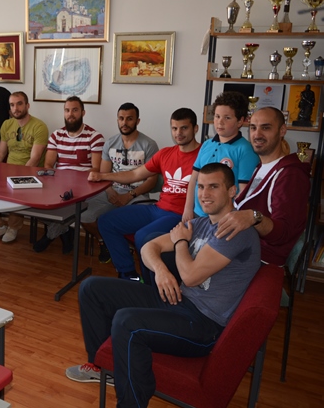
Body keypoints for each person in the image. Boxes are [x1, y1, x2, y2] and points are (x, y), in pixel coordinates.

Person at [66, 163, 261, 408]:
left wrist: (180, 242)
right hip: (178, 300)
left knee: (126, 322)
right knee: (92, 288)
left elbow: (190, 277)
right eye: (200, 187)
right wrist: (160, 271)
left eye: (213, 187)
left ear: (232, 191)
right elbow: (149, 247)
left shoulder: (237, 232)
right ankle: (103, 367)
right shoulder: (201, 224)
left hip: (202, 324)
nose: (204, 194)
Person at [89, 108, 201, 282]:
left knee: (142, 236)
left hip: (180, 215)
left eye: (184, 128)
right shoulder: (165, 153)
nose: (178, 133)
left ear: (195, 129)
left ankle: (150, 284)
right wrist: (103, 176)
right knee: (106, 221)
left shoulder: (204, 155)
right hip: (157, 209)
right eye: (174, 128)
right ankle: (129, 274)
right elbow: (135, 174)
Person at [216, 106, 311, 267]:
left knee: (182, 265)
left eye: (266, 128)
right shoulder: (261, 167)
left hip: (259, 258)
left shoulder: (291, 175)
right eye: (253, 128)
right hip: (241, 248)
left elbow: (284, 233)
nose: (257, 134)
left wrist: (253, 217)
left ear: (282, 130)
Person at [76, 102, 159, 262]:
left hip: (137, 194)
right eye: (121, 118)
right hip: (111, 191)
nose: (124, 122)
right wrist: (110, 192)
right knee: (84, 215)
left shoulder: (149, 145)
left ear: (137, 121)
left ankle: (122, 246)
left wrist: (129, 195)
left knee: (139, 221)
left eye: (129, 119)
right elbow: (104, 175)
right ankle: (105, 242)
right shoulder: (110, 143)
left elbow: (152, 180)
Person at [32, 96, 105, 254]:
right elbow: (48, 165)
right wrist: (58, 180)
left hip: (84, 187)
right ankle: (64, 231)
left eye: (75, 110)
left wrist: (73, 179)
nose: (70, 114)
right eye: (67, 110)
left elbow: (96, 169)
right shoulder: (56, 135)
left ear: (83, 112)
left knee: (67, 204)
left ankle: (50, 235)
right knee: (34, 203)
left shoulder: (95, 137)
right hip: (58, 183)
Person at [0, 91, 49, 243]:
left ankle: (13, 227)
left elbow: (35, 158)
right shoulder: (7, 125)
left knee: (17, 191)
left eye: (19, 104)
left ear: (27, 105)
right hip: (8, 170)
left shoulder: (39, 126)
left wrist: (19, 178)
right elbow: (0, 153)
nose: (15, 108)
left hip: (30, 172)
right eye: (12, 105)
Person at [183, 91, 259, 220]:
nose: (220, 122)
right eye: (217, 116)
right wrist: (188, 209)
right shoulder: (207, 144)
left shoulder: (246, 150)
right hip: (198, 213)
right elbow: (194, 180)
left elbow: (244, 191)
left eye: (227, 118)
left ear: (240, 121)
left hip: (224, 217)